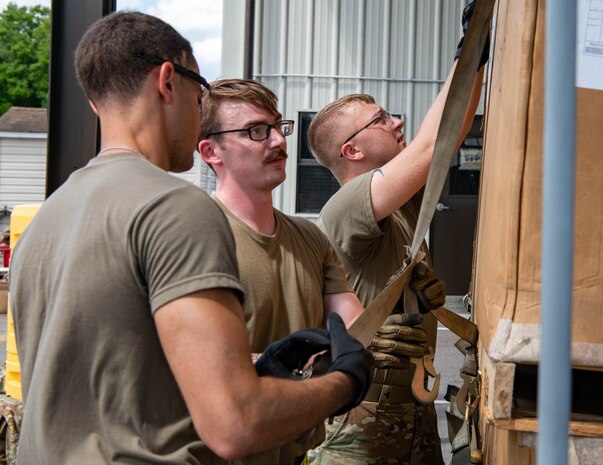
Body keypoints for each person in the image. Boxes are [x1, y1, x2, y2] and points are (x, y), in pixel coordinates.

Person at [8, 11, 372, 465]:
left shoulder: (47, 218)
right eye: (198, 92)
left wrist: (255, 366)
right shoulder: (175, 207)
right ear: (167, 82)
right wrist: (345, 381)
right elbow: (236, 424)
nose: (199, 111)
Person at [306, 6, 487, 464]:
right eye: (382, 119)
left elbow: (449, 131)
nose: (397, 122)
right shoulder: (346, 206)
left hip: (413, 406)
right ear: (353, 149)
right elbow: (433, 143)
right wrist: (471, 42)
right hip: (361, 420)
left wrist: (477, 57)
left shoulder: (402, 206)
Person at [197, 79, 367, 464]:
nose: (278, 141)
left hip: (293, 453)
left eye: (277, 126)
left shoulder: (310, 238)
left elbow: (352, 327)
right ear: (211, 151)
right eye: (256, 131)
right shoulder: (195, 237)